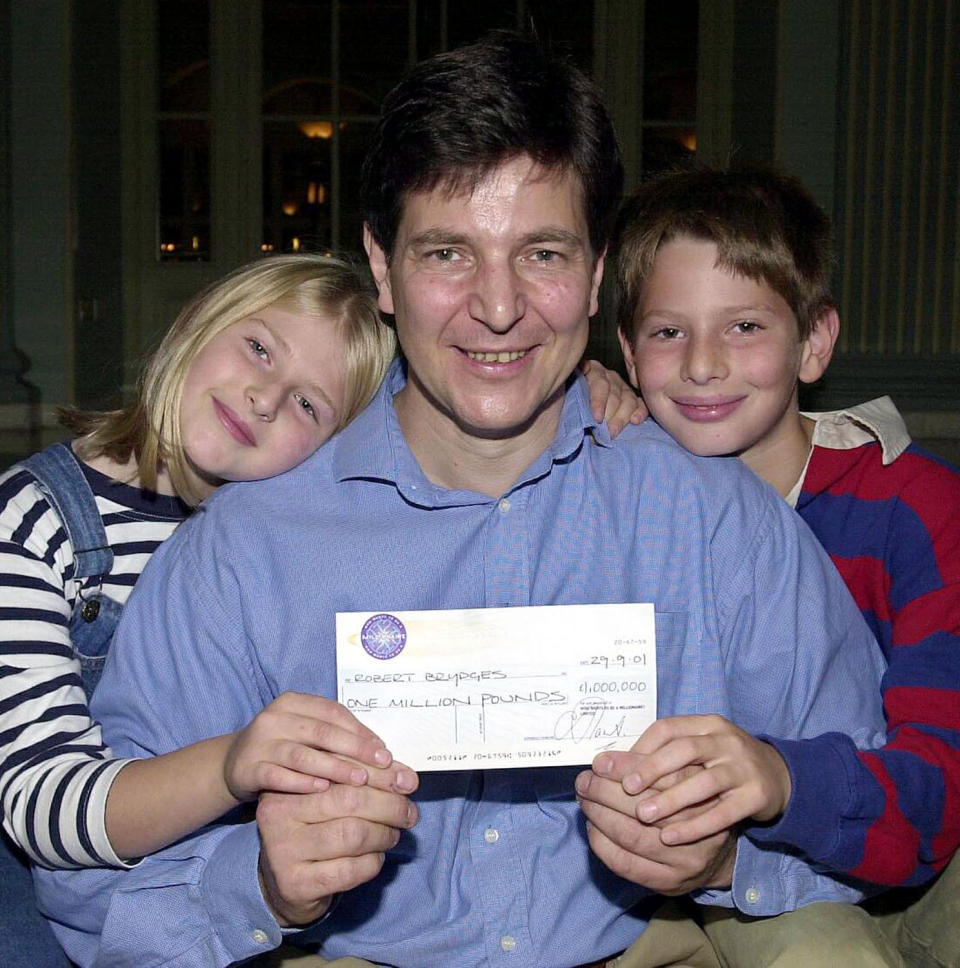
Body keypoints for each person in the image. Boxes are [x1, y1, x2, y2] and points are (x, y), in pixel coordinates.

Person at [38, 32, 888, 968]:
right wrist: (263, 884)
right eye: (448, 253)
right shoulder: (247, 550)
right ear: (381, 266)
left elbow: (873, 797)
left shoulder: (711, 519)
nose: (496, 307)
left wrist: (726, 860)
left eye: (543, 254)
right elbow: (90, 899)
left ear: (599, 271)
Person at [0, 254, 419, 968]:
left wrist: (588, 392)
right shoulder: (33, 520)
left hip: (218, 892)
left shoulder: (273, 544)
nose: (263, 397)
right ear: (198, 322)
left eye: (307, 404)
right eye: (258, 347)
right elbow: (42, 806)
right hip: (53, 876)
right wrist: (232, 764)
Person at [613, 165, 960, 966]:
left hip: (858, 866)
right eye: (668, 332)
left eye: (744, 327)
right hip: (645, 874)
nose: (701, 364)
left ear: (815, 342)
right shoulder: (607, 497)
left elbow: (938, 783)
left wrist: (783, 779)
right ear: (628, 352)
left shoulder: (915, 507)